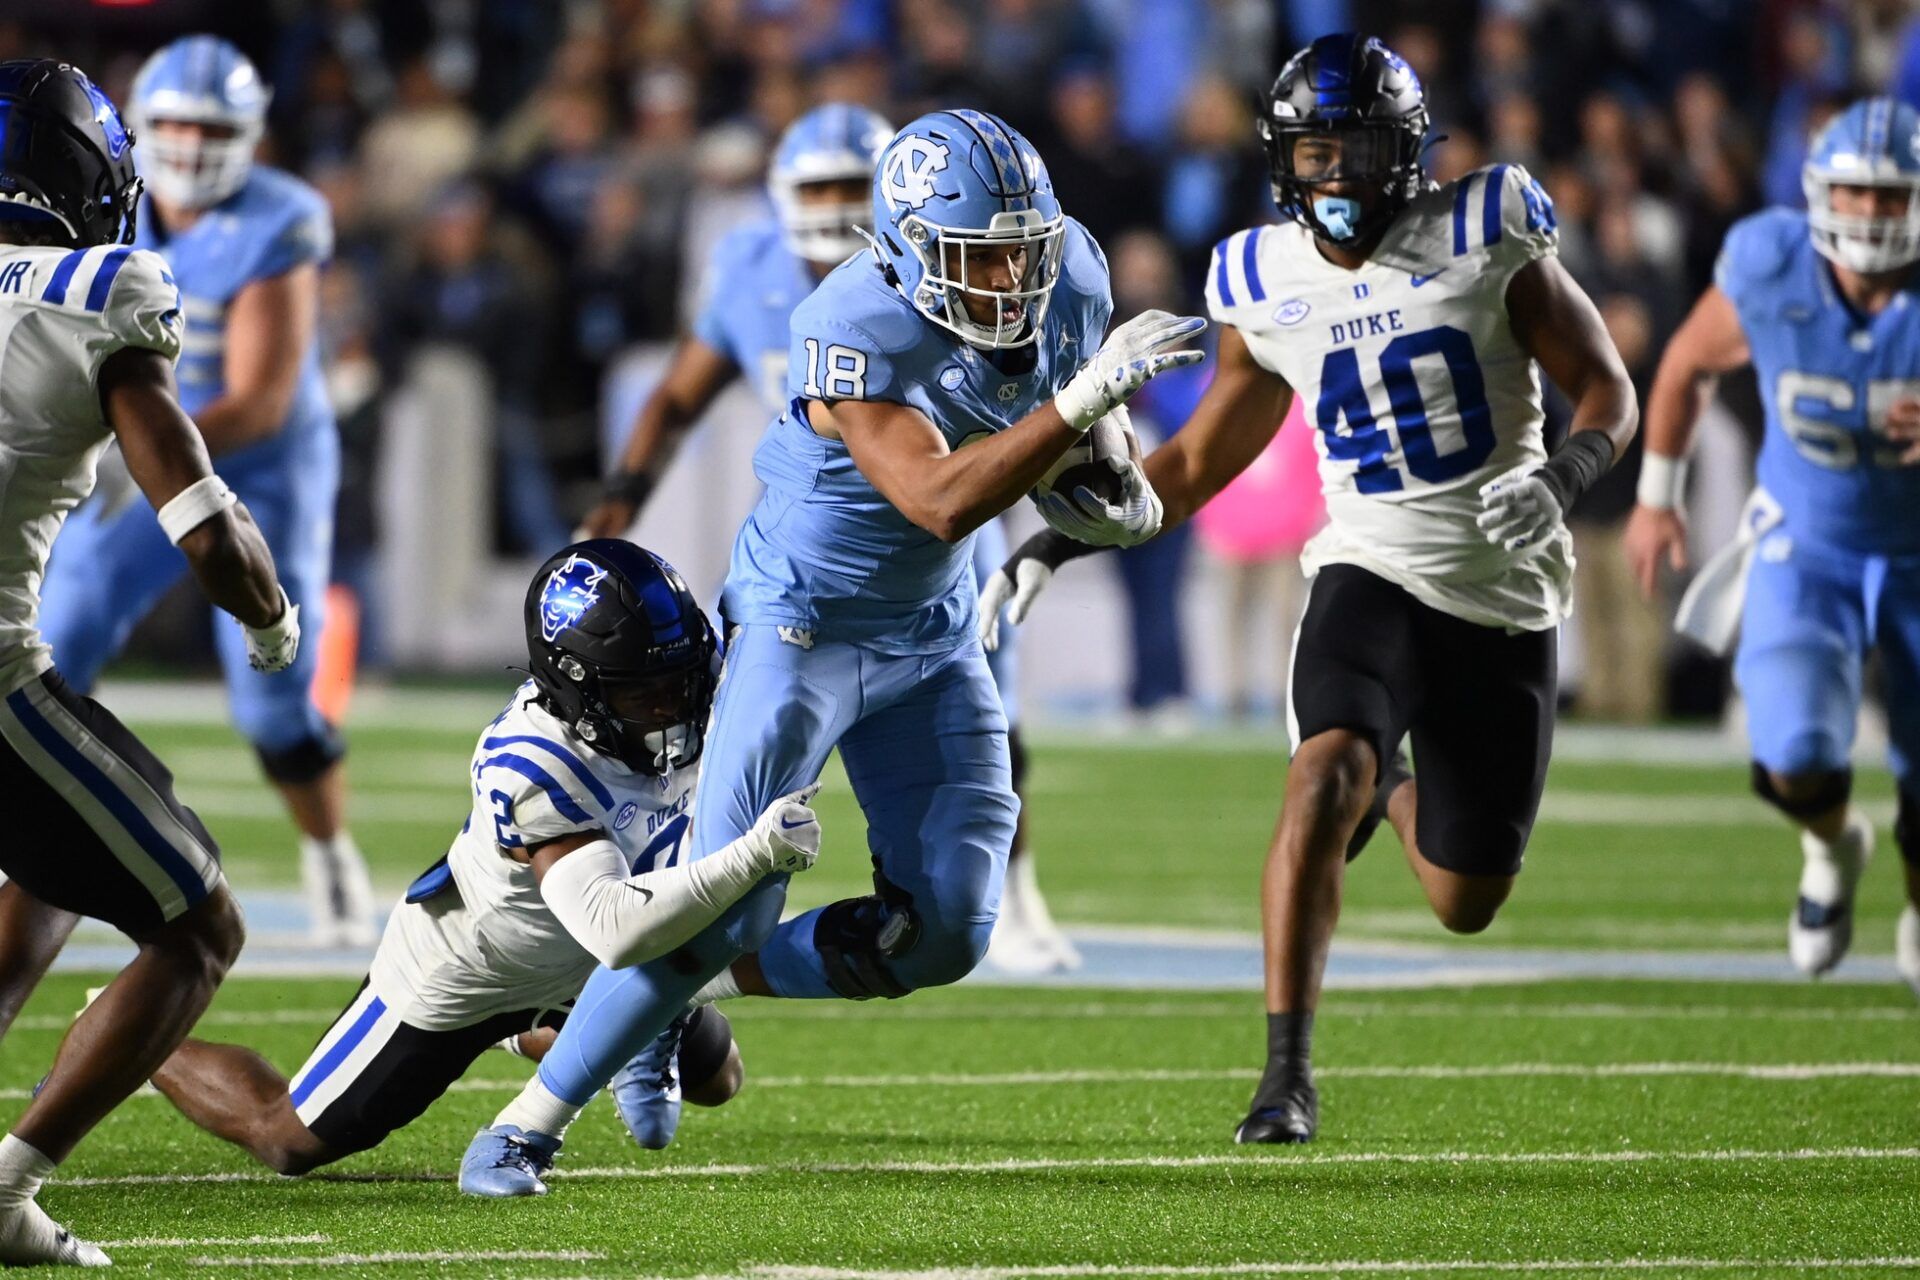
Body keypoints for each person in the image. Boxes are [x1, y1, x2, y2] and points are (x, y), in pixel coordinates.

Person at [458, 108, 1203, 1195]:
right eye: (980, 253)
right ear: (905, 249)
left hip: (934, 632)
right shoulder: (850, 319)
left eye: (1021, 246)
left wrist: (1109, 476)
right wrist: (1083, 400)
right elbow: (937, 497)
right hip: (803, 623)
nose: (1010, 274)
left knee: (948, 929)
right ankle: (524, 1123)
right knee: (726, 900)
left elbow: (1060, 448)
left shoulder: (1071, 272)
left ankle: (687, 993)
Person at [980, 34, 1637, 1143]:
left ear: (1407, 152)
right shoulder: (1260, 278)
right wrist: (1057, 539)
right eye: (1315, 150)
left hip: (1502, 587)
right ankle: (1285, 1073)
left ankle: (1391, 789)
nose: (1334, 175)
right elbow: (1186, 469)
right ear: (1284, 158)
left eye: (1357, 148)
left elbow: (1606, 387)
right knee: (1319, 773)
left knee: (1463, 900)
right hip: (1366, 565)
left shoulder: (1488, 231)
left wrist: (1566, 475)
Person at [577, 102, 1080, 976]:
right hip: (826, 548)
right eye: (819, 187)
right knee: (740, 773)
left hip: (946, 531)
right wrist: (618, 501)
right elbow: (679, 395)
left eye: (853, 184)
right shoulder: (762, 277)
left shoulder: (956, 270)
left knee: (995, 719)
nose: (835, 204)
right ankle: (663, 941)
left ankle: (1016, 891)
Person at [148, 541, 821, 1186]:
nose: (673, 707)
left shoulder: (701, 690)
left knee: (718, 1077)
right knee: (288, 1138)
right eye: (644, 693)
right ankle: (135, 1042)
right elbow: (612, 928)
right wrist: (756, 854)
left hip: (585, 959)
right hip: (476, 967)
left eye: (682, 680)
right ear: (575, 688)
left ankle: (556, 1027)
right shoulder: (532, 762)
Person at [0, 58, 300, 1266]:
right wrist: (270, 617)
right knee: (198, 921)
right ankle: (7, 1187)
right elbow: (202, 522)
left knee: (62, 853)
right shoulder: (99, 288)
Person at [34, 35, 376, 948]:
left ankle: (329, 848)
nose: (186, 143)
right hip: (143, 450)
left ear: (251, 132)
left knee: (274, 693)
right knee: (49, 648)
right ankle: (34, 850)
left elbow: (261, 402)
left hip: (260, 464)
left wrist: (118, 447)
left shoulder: (281, 216)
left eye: (208, 126)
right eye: (172, 123)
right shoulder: (106, 207)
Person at [1624, 97, 1920, 999]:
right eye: (1855, 194)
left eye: (1890, 196)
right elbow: (1685, 364)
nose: (1870, 213)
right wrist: (1657, 498)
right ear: (1821, 194)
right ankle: (1832, 846)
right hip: (1808, 542)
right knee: (1791, 754)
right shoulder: (1771, 261)